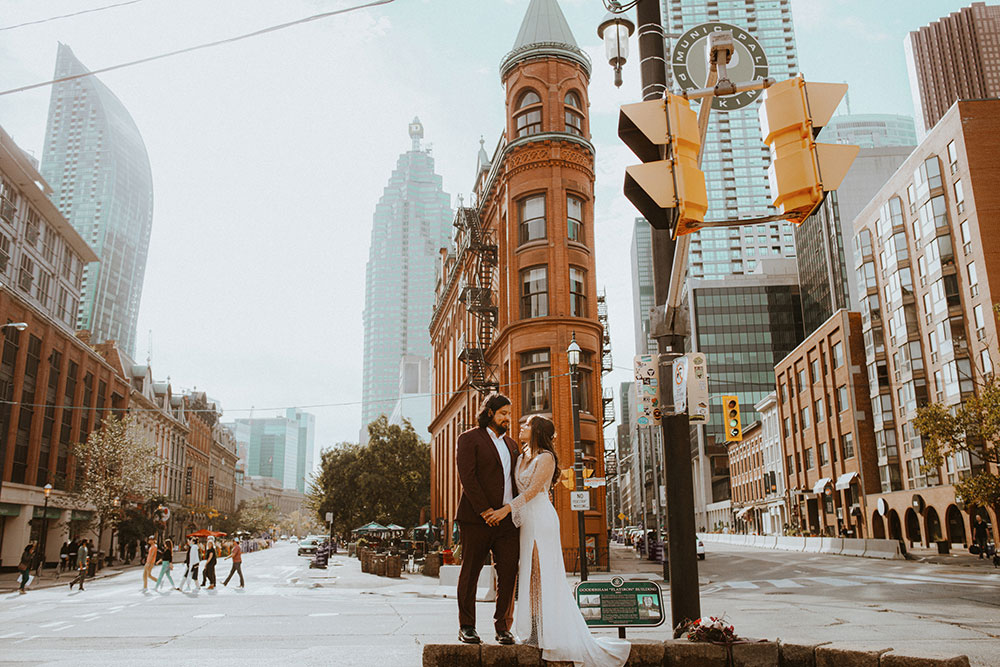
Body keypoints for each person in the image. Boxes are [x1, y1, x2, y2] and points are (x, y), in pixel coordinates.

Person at [484, 415, 630, 666]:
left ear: (537, 431)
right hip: (526, 523)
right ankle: (534, 630)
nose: (521, 428)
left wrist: (506, 510)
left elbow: (531, 492)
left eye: (527, 425)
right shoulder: (520, 457)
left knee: (543, 573)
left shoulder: (546, 459)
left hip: (541, 518)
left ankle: (548, 631)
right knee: (529, 574)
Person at [454, 393, 520, 646]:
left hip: (506, 520)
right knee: (470, 573)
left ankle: (503, 627)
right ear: (490, 413)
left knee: (508, 574)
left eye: (509, 415)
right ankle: (467, 626)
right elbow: (467, 478)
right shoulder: (469, 438)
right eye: (503, 413)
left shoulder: (513, 445)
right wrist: (484, 511)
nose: (507, 419)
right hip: (476, 519)